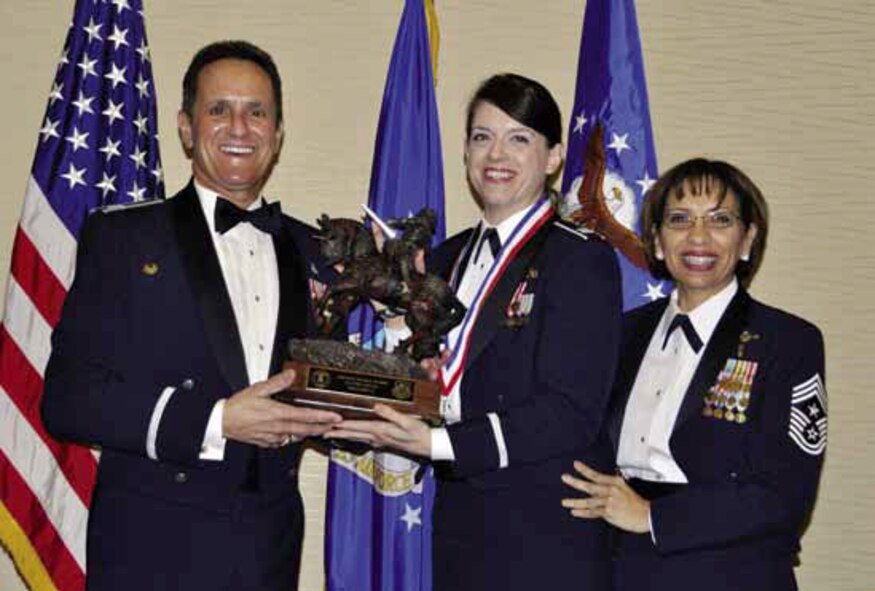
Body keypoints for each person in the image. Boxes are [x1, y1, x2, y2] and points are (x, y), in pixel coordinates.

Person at [41, 40, 342, 590]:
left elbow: (335, 393)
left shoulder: (316, 250)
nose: (239, 126)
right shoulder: (125, 238)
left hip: (266, 553)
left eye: (257, 112)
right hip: (152, 549)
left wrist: (403, 324)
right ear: (185, 127)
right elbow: (69, 399)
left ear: (277, 134)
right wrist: (216, 420)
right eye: (218, 109)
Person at [327, 73, 622, 590]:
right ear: (464, 153)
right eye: (482, 137)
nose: (496, 154)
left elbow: (570, 411)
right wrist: (395, 314)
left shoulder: (580, 259)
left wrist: (440, 444)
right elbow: (437, 372)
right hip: (463, 528)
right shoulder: (446, 257)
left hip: (545, 538)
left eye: (519, 138)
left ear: (554, 157)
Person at [561, 159, 827, 591]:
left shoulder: (788, 342)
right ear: (658, 242)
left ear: (748, 240)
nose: (698, 237)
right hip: (617, 569)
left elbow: (784, 497)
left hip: (730, 572)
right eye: (679, 220)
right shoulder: (620, 335)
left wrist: (652, 516)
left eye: (720, 220)